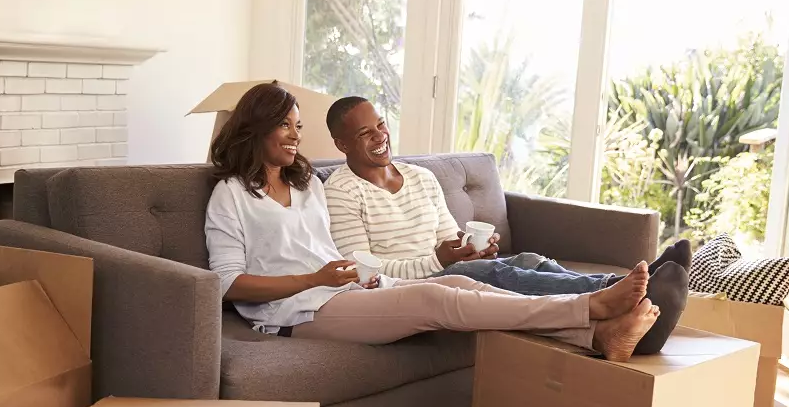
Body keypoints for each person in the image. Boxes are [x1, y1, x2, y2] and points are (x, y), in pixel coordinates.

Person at [204, 81, 672, 362]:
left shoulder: (307, 184)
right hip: (294, 314)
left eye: (298, 126)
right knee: (436, 297)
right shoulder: (230, 197)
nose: (294, 137)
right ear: (256, 128)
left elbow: (336, 253)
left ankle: (598, 334)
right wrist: (315, 278)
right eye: (285, 125)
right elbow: (227, 284)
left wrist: (362, 276)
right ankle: (589, 305)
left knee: (467, 289)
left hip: (345, 290)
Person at [322, 95, 690, 354]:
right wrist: (438, 261)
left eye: (380, 124)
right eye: (364, 133)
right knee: (492, 273)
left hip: (444, 267)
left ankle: (620, 293)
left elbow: (447, 238)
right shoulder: (340, 191)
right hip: (402, 287)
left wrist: (466, 246)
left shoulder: (420, 177)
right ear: (342, 144)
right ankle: (616, 291)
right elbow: (363, 271)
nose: (380, 136)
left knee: (526, 261)